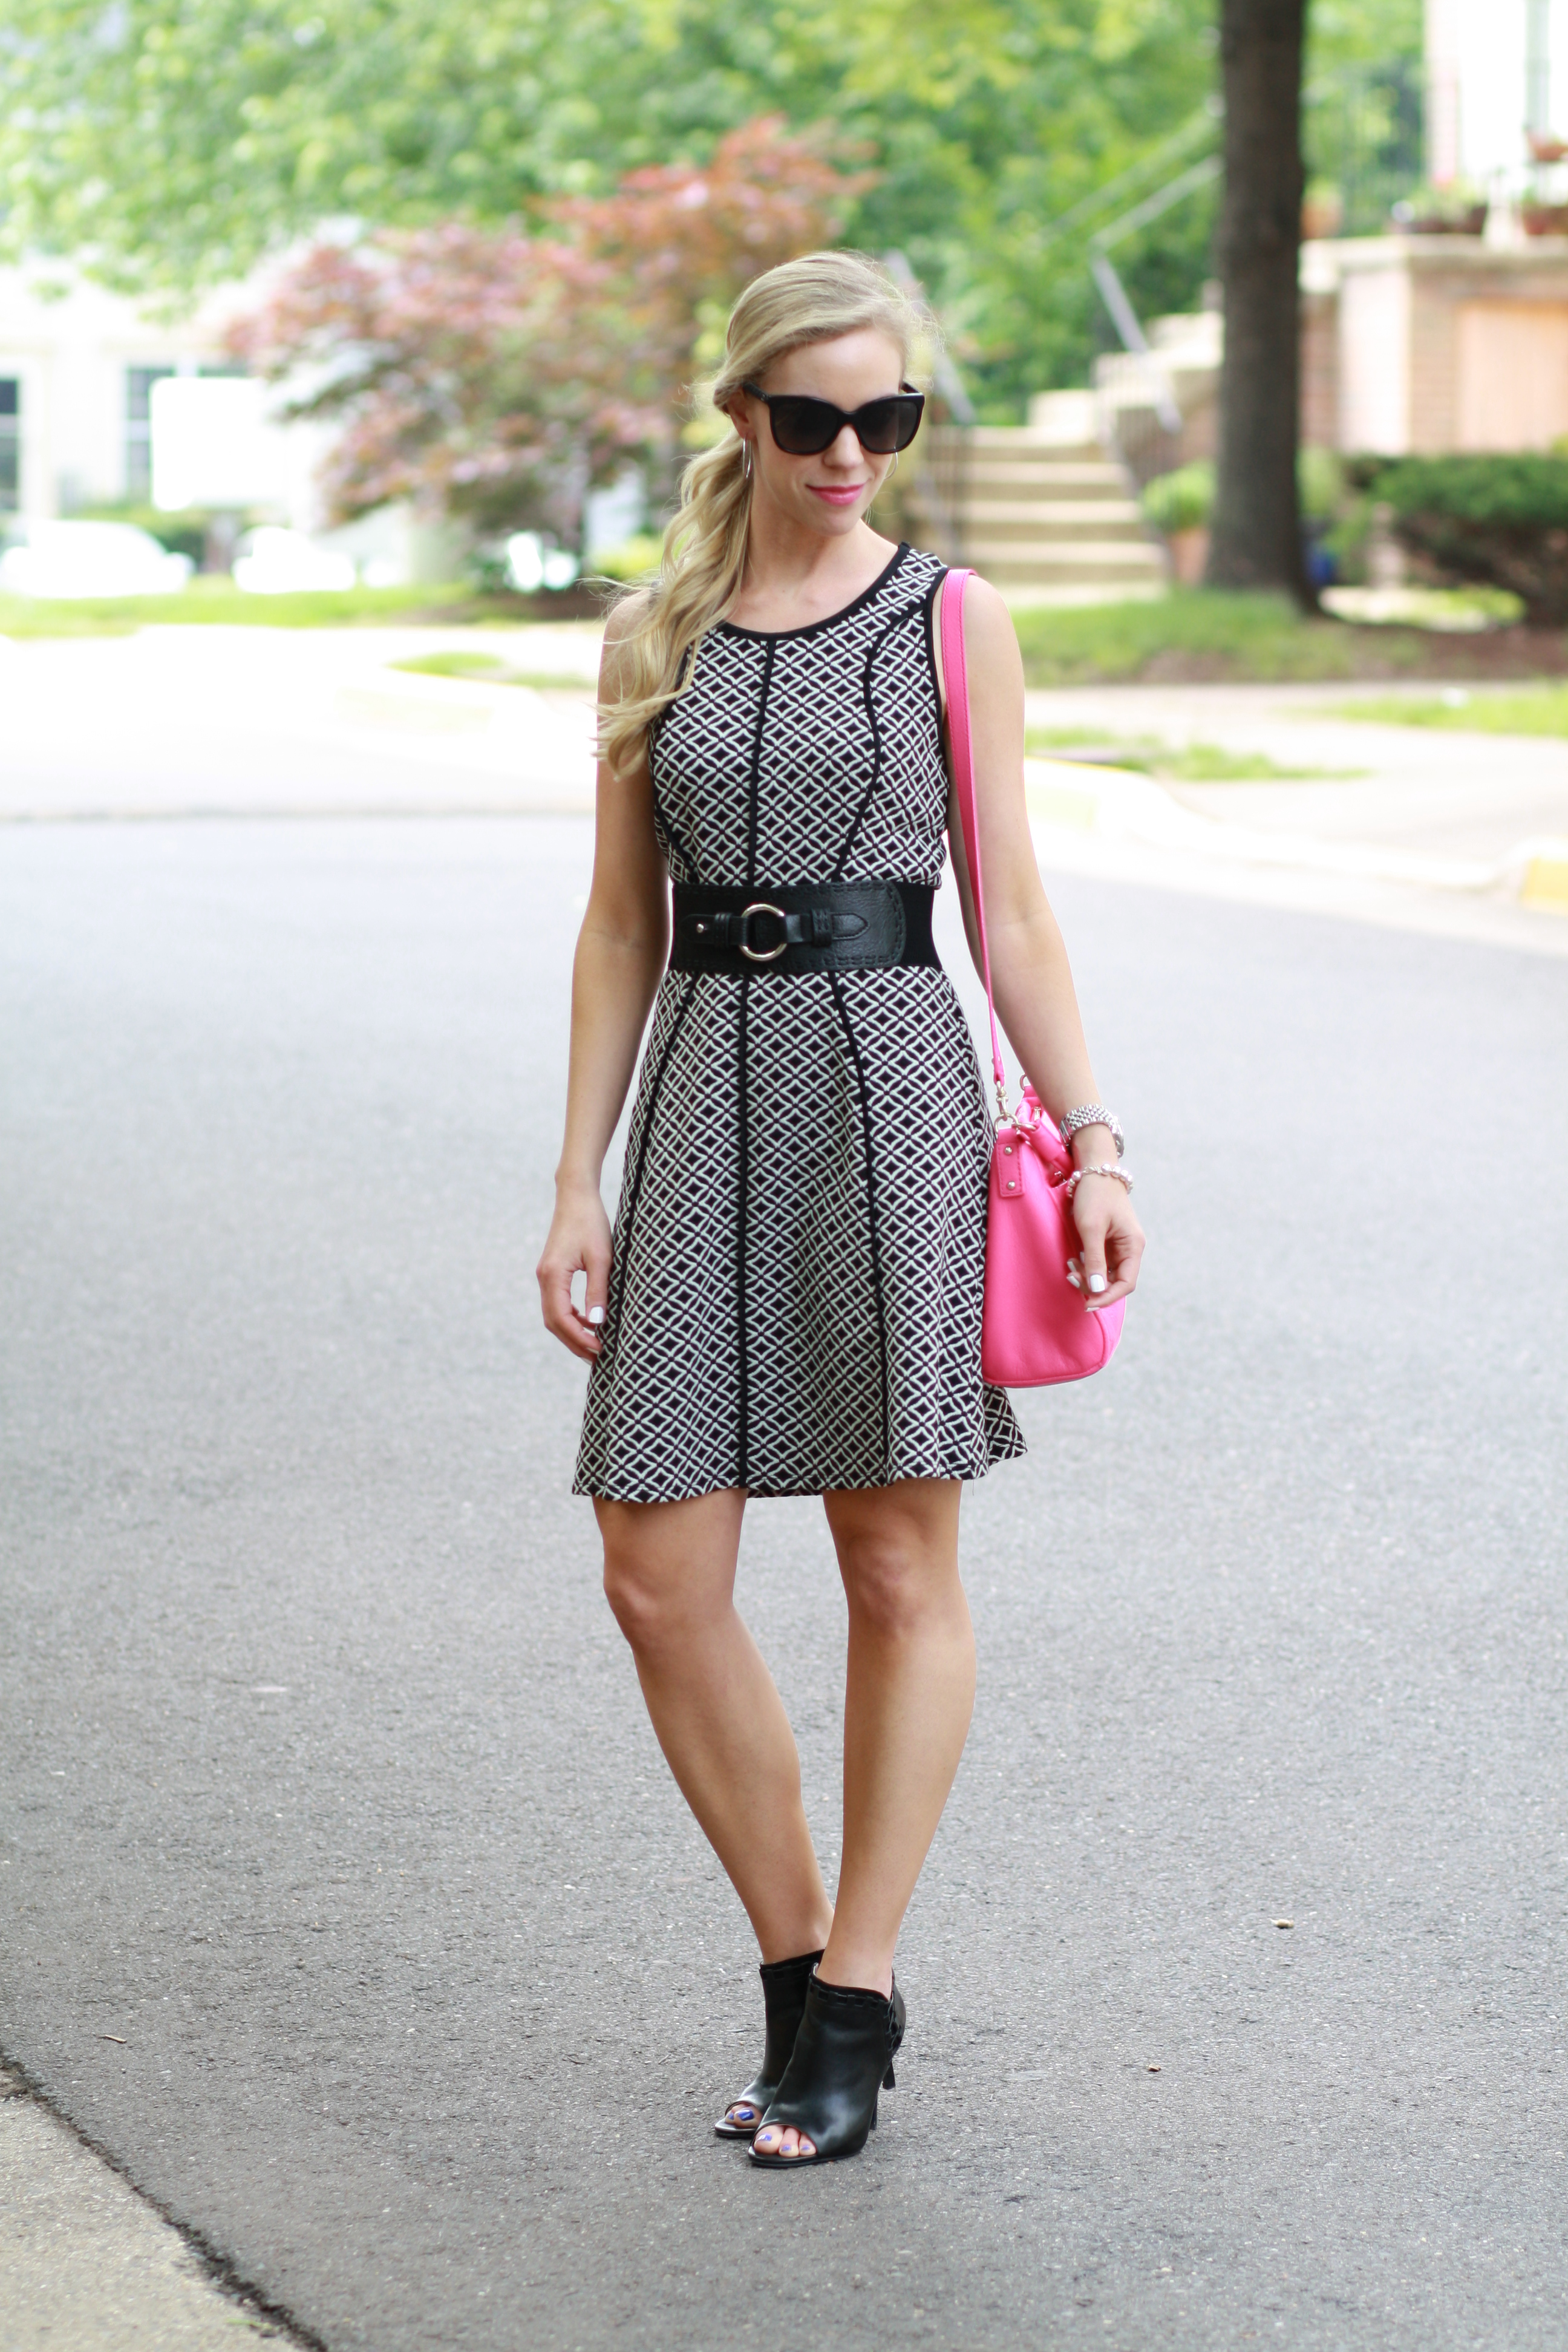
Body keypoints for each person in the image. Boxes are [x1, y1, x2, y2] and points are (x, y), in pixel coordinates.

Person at [537, 250, 1143, 2167]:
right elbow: (624, 917)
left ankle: (861, 1994)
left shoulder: (956, 619)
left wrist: (1095, 1135)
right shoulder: (659, 632)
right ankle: (797, 1967)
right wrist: (577, 1175)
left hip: (890, 1084)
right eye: (817, 420)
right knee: (659, 1574)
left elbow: (1014, 905)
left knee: (895, 1566)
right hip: (706, 1087)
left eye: (889, 419)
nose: (854, 454)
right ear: (741, 417)